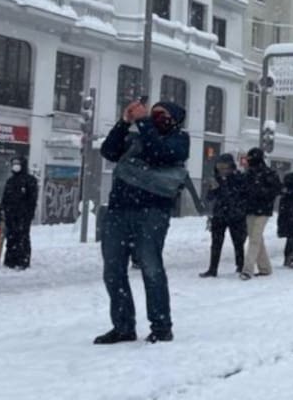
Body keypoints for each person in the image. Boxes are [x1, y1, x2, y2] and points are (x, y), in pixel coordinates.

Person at [94, 99, 189, 345]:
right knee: (113, 271)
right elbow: (109, 151)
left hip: (152, 212)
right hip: (119, 210)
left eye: (162, 115)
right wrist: (124, 123)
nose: (155, 118)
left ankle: (161, 326)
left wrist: (145, 122)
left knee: (151, 268)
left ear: (175, 120)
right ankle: (123, 326)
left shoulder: (179, 140)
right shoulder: (137, 137)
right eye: (153, 113)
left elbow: (160, 153)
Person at [201, 153, 248, 278]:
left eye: (225, 167)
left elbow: (242, 195)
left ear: (231, 167)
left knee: (238, 242)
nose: (222, 170)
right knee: (216, 242)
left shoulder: (239, 178)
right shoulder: (216, 179)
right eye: (220, 167)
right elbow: (209, 198)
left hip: (236, 215)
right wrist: (213, 189)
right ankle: (213, 268)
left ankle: (240, 265)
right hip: (220, 214)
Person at [242, 147, 280, 277]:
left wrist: (259, 192)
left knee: (254, 240)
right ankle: (265, 268)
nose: (248, 162)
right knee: (256, 239)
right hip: (253, 209)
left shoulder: (267, 174)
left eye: (249, 159)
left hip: (261, 210)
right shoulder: (251, 174)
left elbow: (275, 190)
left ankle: (248, 269)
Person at [0, 156, 39, 270]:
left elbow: (32, 199)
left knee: (22, 237)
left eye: (18, 163)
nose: (16, 166)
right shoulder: (10, 181)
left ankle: (22, 260)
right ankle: (10, 260)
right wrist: (1, 209)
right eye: (14, 164)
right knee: (11, 237)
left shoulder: (30, 180)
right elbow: (5, 197)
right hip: (10, 214)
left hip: (23, 215)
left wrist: (28, 214)